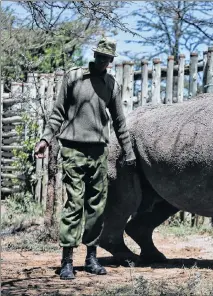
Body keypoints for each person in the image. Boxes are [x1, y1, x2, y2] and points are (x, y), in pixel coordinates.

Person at [34, 37, 136, 280]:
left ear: (111, 61)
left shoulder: (111, 85)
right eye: (99, 56)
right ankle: (67, 260)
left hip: (99, 151)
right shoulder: (74, 77)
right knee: (74, 203)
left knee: (97, 207)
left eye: (106, 58)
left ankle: (91, 257)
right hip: (73, 149)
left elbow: (120, 122)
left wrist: (128, 151)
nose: (102, 60)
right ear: (94, 55)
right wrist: (46, 139)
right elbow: (58, 112)